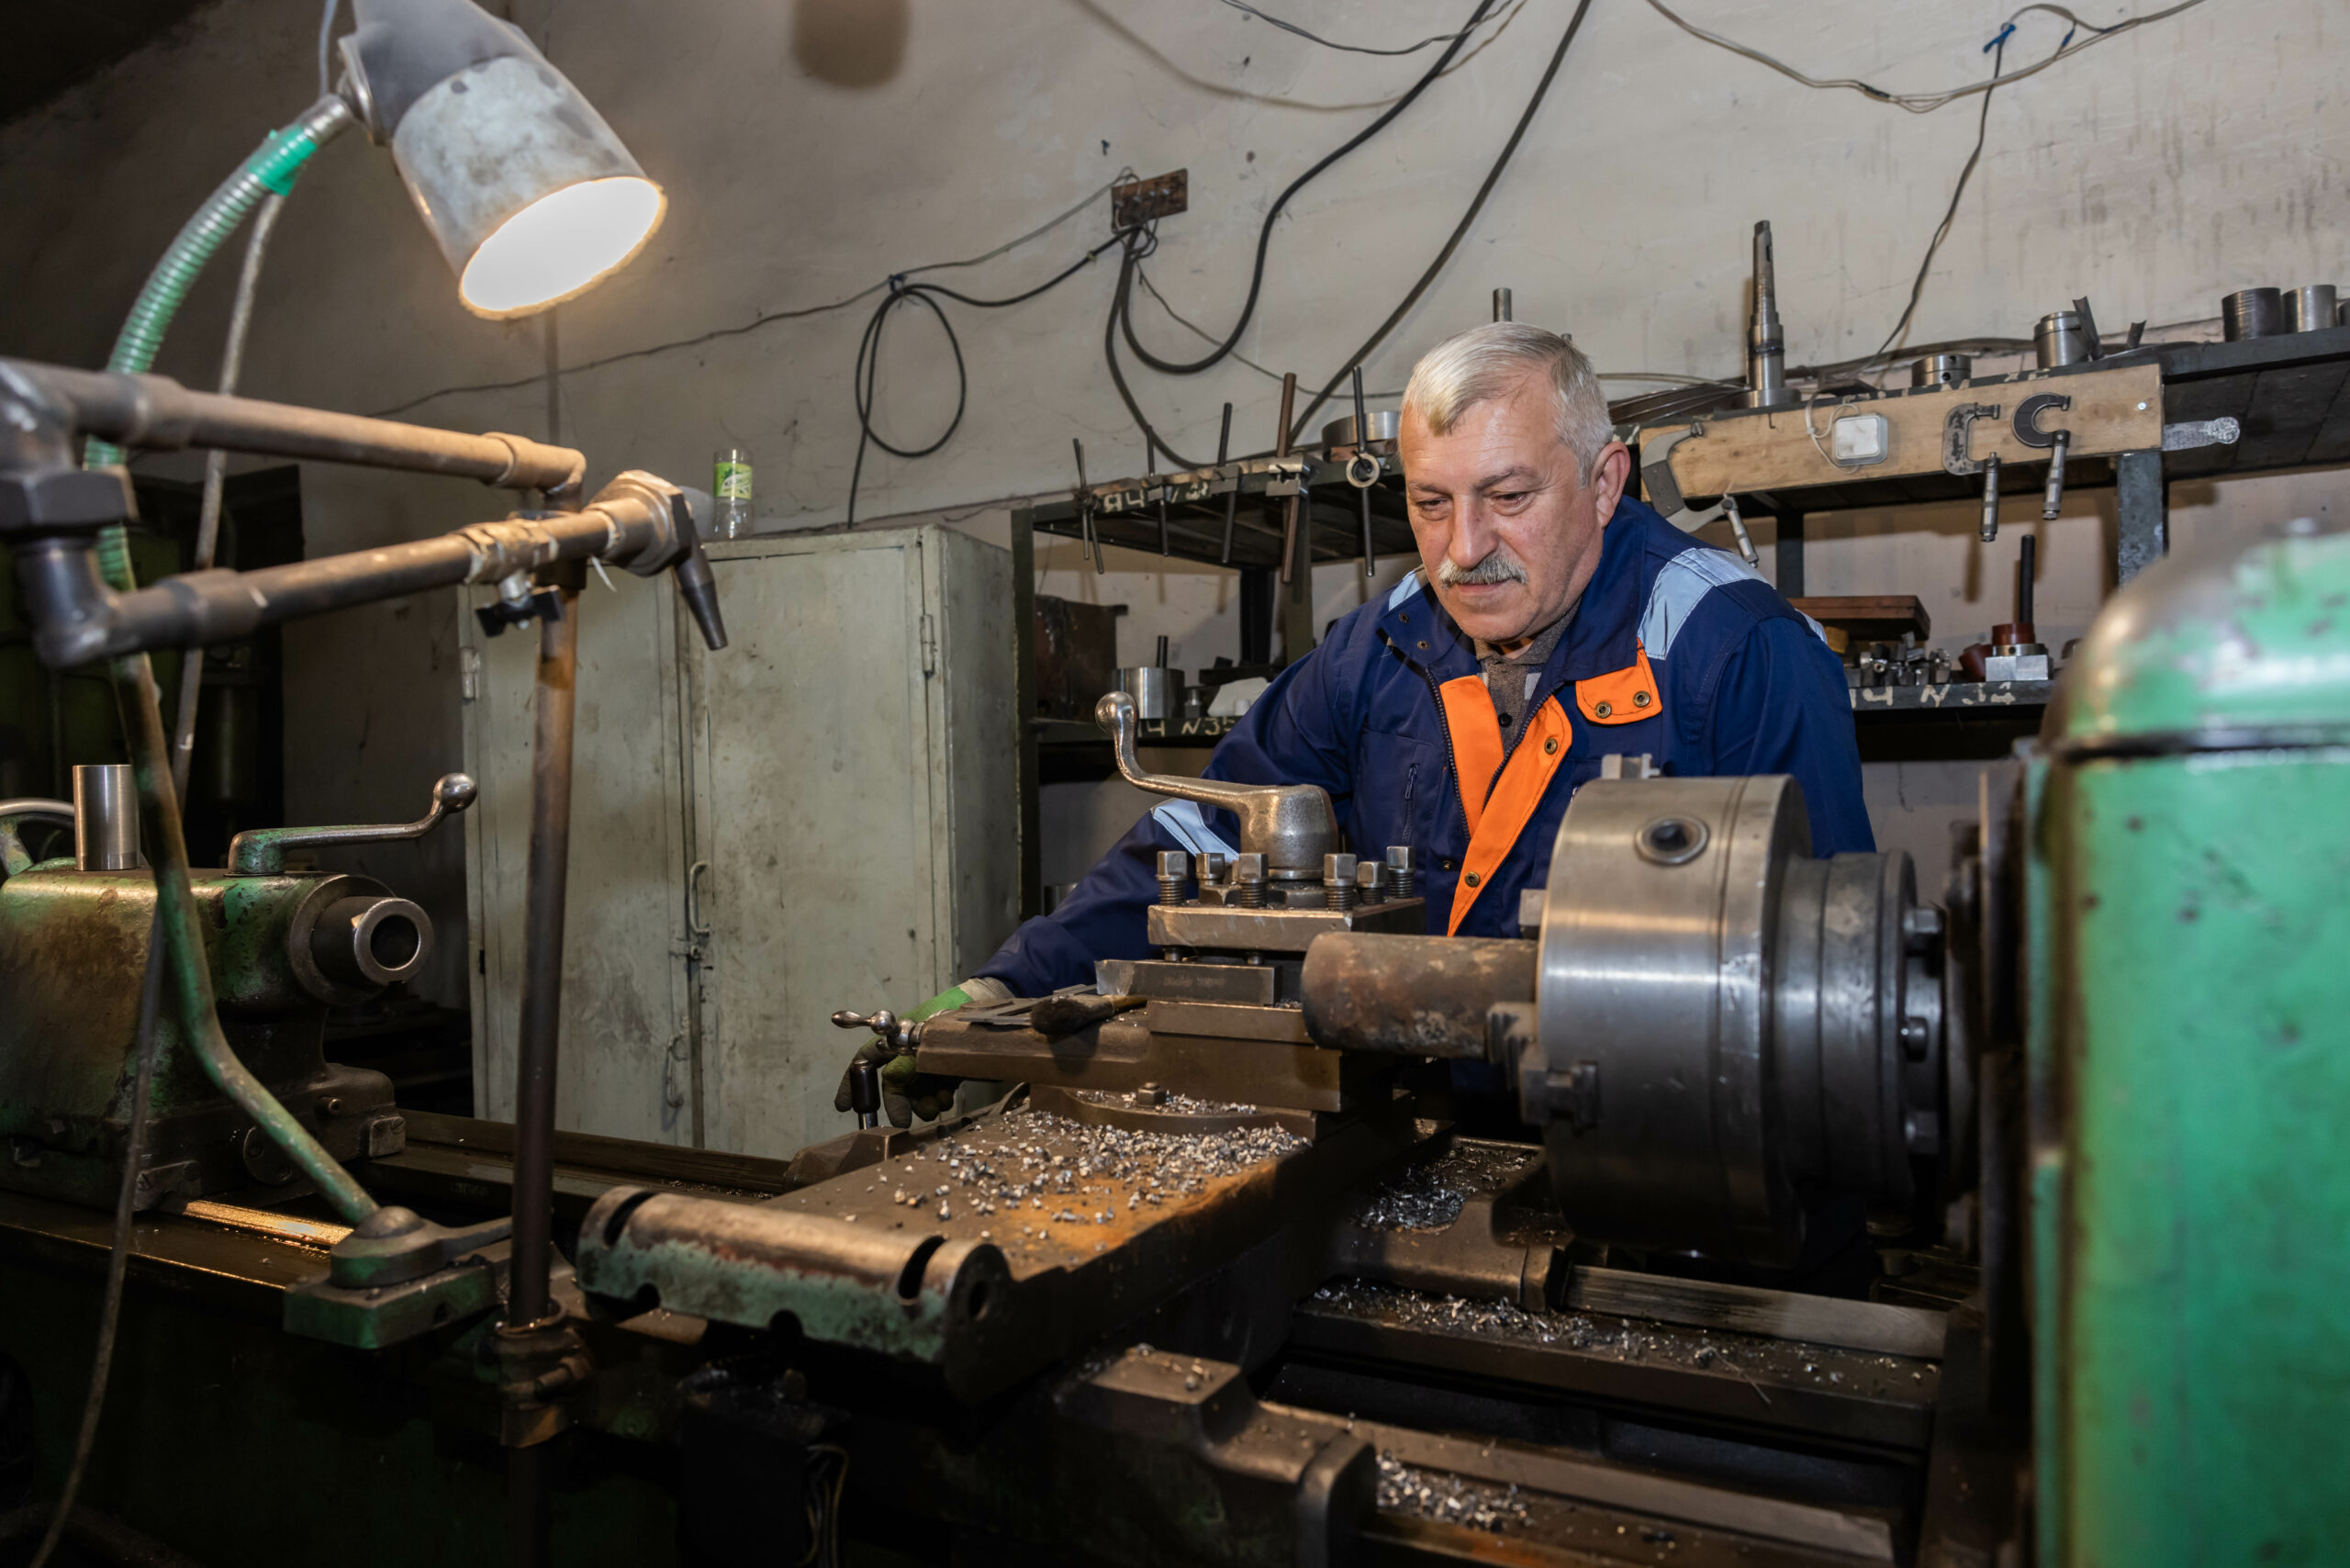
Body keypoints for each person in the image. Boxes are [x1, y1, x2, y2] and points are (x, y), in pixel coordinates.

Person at [841, 322, 1870, 1125]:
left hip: (1658, 1160)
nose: (1464, 548)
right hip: (1427, 1134)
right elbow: (1204, 837)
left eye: (1509, 496)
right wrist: (1002, 989)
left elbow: (1824, 989)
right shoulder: (1383, 645)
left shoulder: (1735, 651)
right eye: (1431, 503)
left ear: (1606, 483)